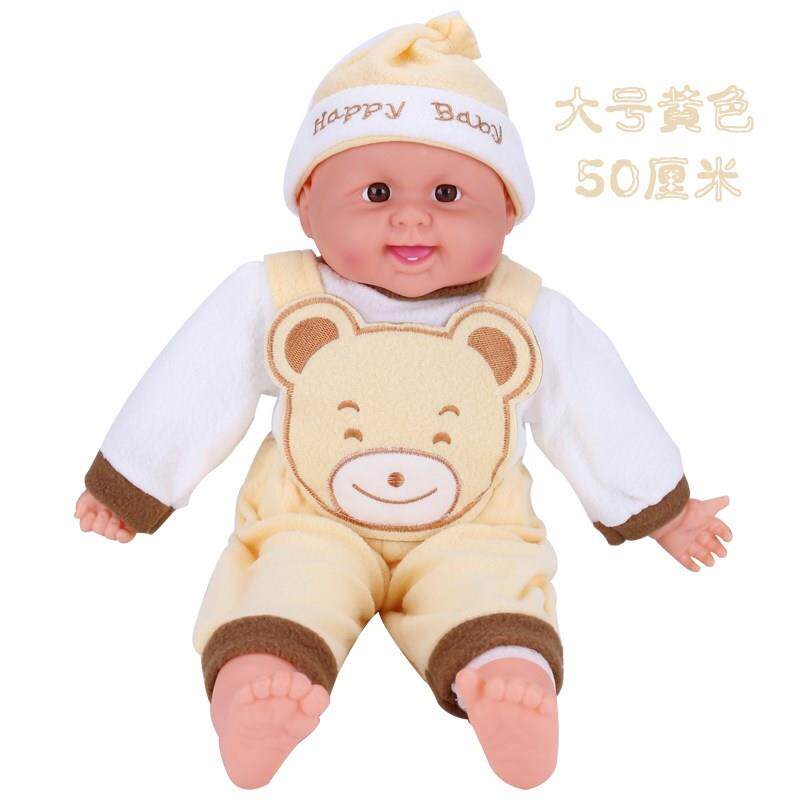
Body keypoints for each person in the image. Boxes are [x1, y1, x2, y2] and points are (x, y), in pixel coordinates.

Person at [74, 11, 732, 790]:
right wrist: (134, 481)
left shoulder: (526, 312)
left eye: (449, 193)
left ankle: (505, 678)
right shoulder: (279, 293)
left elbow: (599, 412)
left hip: (475, 527)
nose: (412, 216)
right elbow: (193, 383)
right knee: (282, 585)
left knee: (495, 593)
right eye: (377, 191)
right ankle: (256, 685)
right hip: (306, 517)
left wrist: (661, 509)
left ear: (509, 212)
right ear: (307, 203)